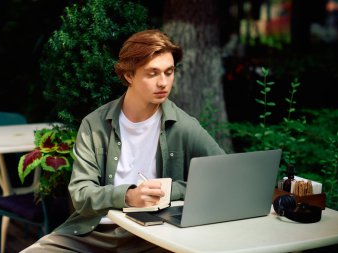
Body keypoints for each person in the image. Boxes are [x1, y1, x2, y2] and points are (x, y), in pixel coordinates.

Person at [22, 29, 225, 253]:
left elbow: (223, 174)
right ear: (129, 75)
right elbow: (80, 193)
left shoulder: (184, 126)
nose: (163, 83)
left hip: (153, 238)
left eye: (169, 72)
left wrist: (169, 191)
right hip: (91, 233)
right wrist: (128, 196)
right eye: (152, 73)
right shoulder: (95, 124)